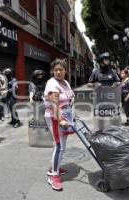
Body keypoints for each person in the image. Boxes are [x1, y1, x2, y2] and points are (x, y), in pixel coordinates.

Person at [44, 58, 75, 191]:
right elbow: (54, 104)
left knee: (61, 146)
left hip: (66, 117)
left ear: (65, 71)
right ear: (52, 71)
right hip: (55, 118)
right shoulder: (52, 84)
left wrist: (72, 114)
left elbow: (69, 99)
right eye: (55, 70)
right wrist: (60, 119)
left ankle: (53, 167)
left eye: (61, 69)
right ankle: (53, 176)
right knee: (59, 146)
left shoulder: (65, 82)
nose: (58, 72)